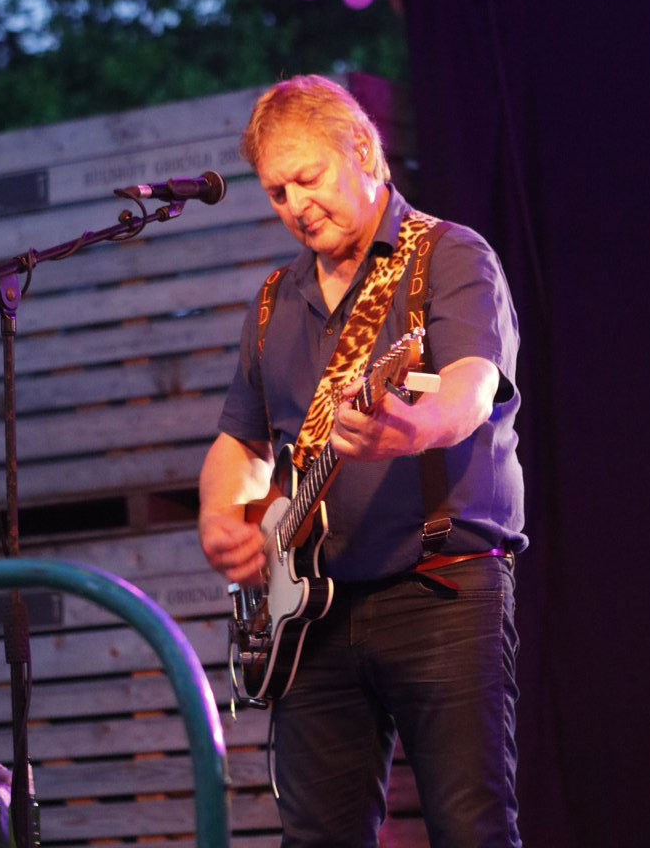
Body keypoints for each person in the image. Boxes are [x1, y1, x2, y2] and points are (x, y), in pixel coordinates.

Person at [198, 74, 526, 848]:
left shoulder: (448, 256)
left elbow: (471, 385)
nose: (295, 204)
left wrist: (413, 429)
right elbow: (240, 441)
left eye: (308, 178)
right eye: (276, 192)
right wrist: (222, 517)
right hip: (310, 613)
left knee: (471, 830)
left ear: (362, 151)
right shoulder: (274, 301)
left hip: (438, 588)